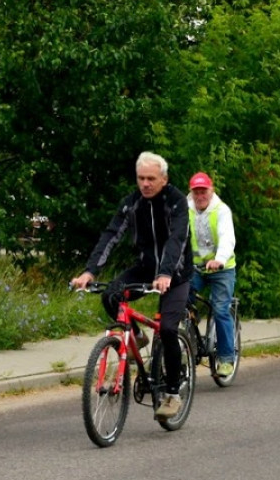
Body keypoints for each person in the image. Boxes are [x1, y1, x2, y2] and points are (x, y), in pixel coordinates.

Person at [70, 152, 193, 420]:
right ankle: (135, 335)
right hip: (146, 268)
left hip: (177, 273)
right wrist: (90, 271)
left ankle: (172, 393)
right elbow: (112, 234)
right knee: (110, 295)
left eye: (151, 178)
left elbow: (177, 239)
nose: (145, 184)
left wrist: (166, 273)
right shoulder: (132, 203)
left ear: (164, 179)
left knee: (169, 330)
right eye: (141, 178)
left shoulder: (177, 202)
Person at [187, 172, 237, 377]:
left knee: (220, 310)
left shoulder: (221, 210)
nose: (200, 195)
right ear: (191, 193)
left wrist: (220, 259)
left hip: (221, 269)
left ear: (211, 190)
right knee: (179, 302)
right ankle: (186, 343)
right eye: (196, 191)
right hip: (196, 268)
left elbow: (227, 238)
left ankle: (226, 359)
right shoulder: (185, 208)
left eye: (203, 191)